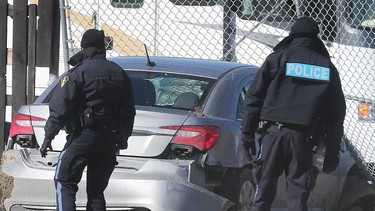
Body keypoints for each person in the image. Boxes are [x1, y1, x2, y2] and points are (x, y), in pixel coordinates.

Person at [241, 17, 346, 211]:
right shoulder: (327, 67)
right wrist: (332, 151)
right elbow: (336, 114)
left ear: (292, 35)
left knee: (263, 189)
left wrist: (247, 134)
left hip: (272, 134)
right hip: (304, 138)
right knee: (298, 197)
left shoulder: (277, 59)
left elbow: (254, 98)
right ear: (316, 38)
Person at [40, 29, 136, 211]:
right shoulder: (119, 73)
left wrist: (48, 136)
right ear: (103, 49)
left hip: (83, 136)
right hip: (109, 138)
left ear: (83, 47)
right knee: (96, 192)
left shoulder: (78, 73)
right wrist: (123, 138)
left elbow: (60, 107)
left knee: (64, 181)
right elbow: (129, 111)